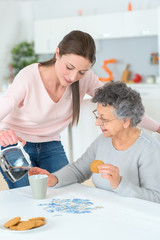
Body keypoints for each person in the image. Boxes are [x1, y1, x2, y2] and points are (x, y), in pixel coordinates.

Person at [0, 30, 159, 189]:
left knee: (63, 188)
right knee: (27, 193)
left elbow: (120, 104)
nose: (73, 77)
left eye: (81, 72)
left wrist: (158, 127)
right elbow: (6, 104)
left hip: (50, 143)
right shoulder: (29, 77)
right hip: (15, 144)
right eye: (69, 67)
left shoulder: (87, 79)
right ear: (57, 53)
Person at [29, 81, 160, 203]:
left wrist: (120, 184)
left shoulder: (149, 149)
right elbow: (78, 170)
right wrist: (54, 178)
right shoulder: (103, 141)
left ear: (125, 121)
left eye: (104, 119)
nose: (97, 123)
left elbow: (156, 198)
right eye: (97, 116)